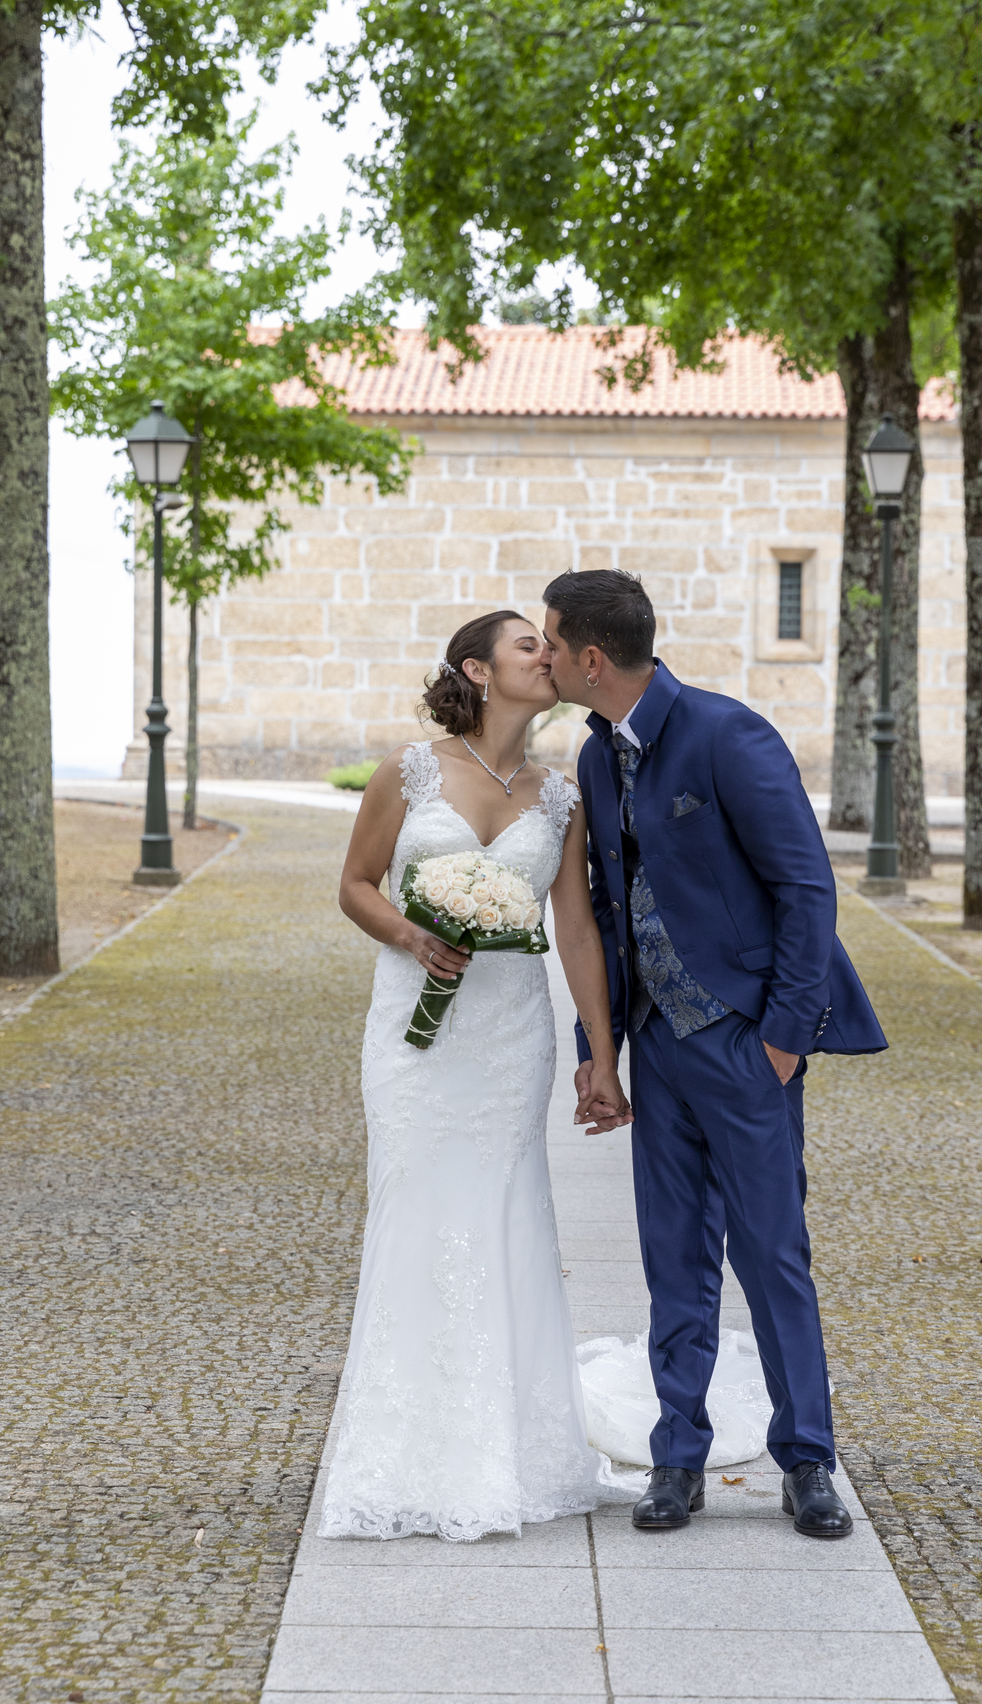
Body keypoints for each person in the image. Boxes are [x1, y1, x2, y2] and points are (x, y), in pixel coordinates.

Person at [542, 569, 887, 1538]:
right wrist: (599, 1048)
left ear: (593, 658)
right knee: (674, 1261)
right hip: (657, 1044)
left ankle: (808, 1460)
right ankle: (678, 1457)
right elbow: (607, 915)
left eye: (554, 643)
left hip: (745, 1047)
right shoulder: (596, 758)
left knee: (774, 1257)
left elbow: (807, 892)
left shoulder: (730, 735)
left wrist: (781, 1041)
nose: (548, 657)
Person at [320, 609, 636, 1542]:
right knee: (415, 1208)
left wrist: (601, 1056)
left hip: (508, 1037)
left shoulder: (560, 796)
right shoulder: (410, 771)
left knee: (502, 1215)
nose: (550, 656)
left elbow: (574, 930)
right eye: (529, 645)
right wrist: (414, 935)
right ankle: (405, 1447)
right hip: (413, 1043)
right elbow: (355, 884)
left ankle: (509, 1450)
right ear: (479, 669)